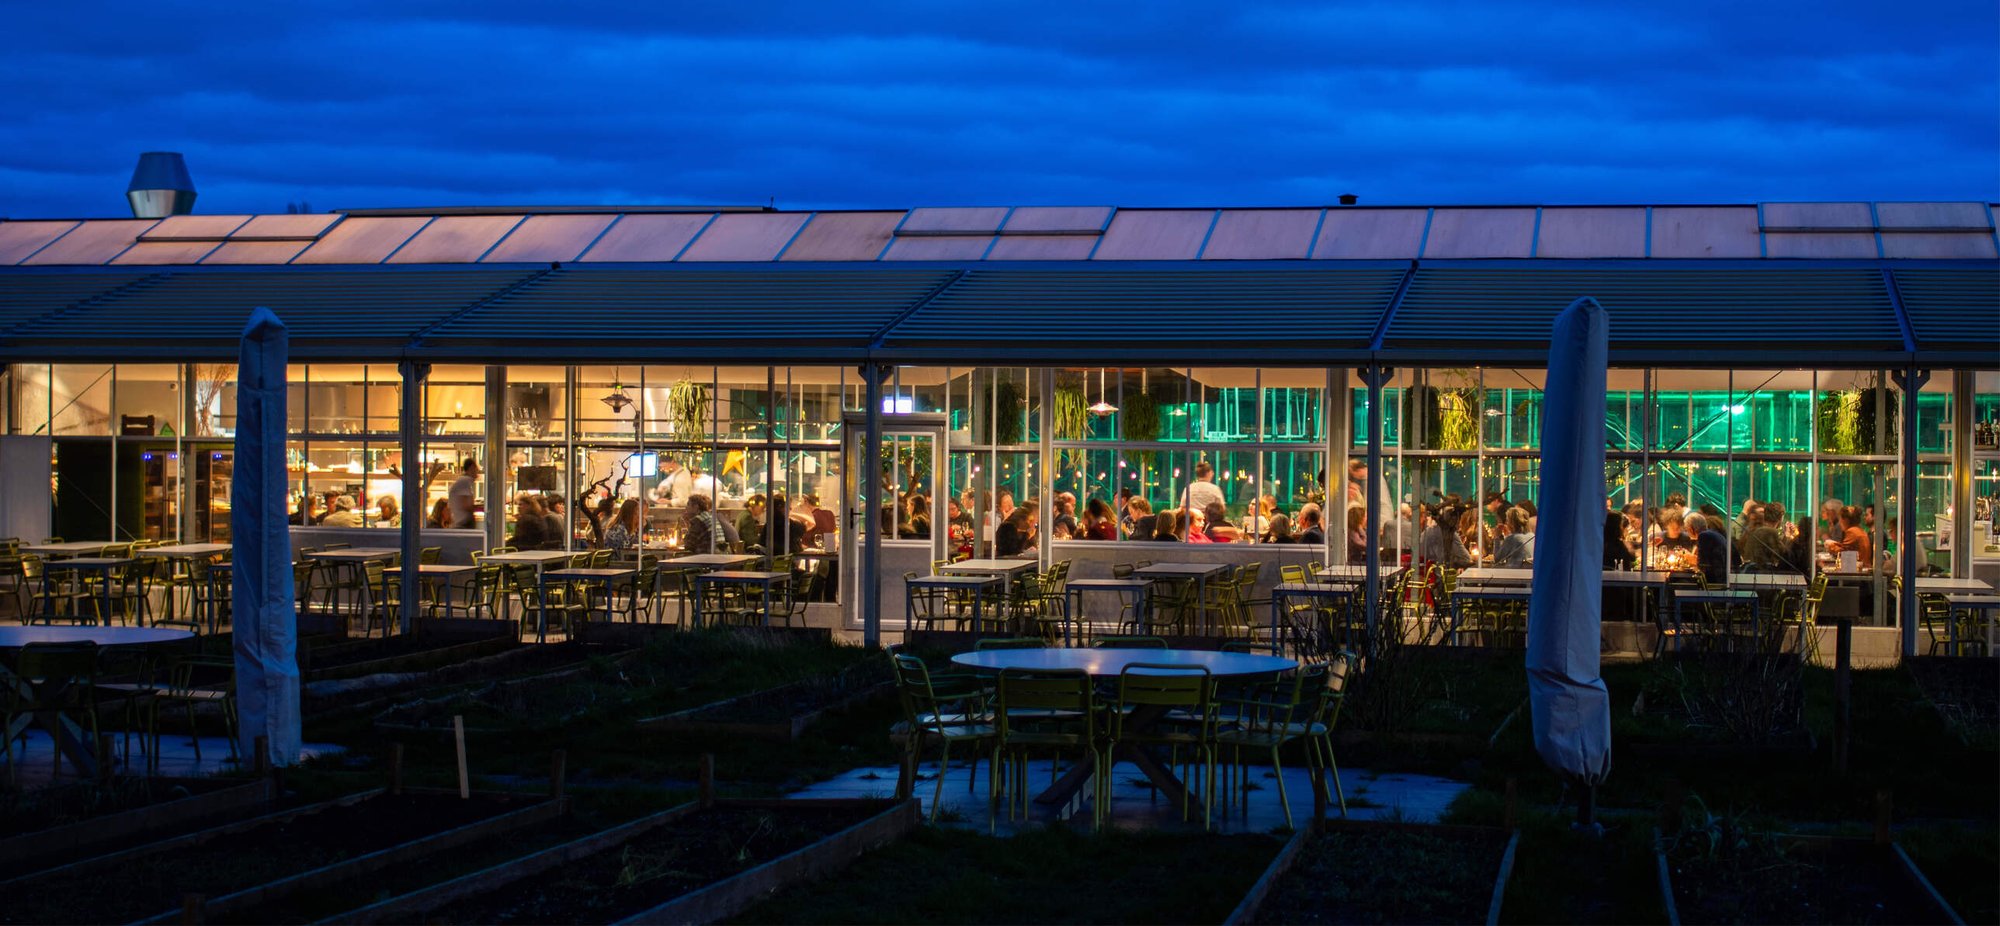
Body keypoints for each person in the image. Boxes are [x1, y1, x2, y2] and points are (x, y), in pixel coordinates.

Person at [1690, 513, 1729, 583]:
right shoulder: (1712, 534)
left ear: (1691, 528)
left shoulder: (1704, 535)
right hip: (1722, 576)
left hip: (1715, 579)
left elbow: (1703, 564)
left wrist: (1691, 559)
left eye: (1687, 529)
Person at [1184, 461, 1225, 526]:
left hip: (1191, 523)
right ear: (1208, 473)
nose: (1213, 474)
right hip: (1210, 524)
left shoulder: (1189, 488)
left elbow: (1182, 507)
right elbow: (1222, 508)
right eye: (1212, 472)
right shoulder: (1215, 489)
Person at [448, 458, 480, 528]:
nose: (478, 471)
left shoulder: (463, 481)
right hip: (463, 524)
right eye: (476, 468)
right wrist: (482, 508)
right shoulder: (465, 481)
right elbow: (466, 504)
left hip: (461, 523)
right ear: (471, 468)